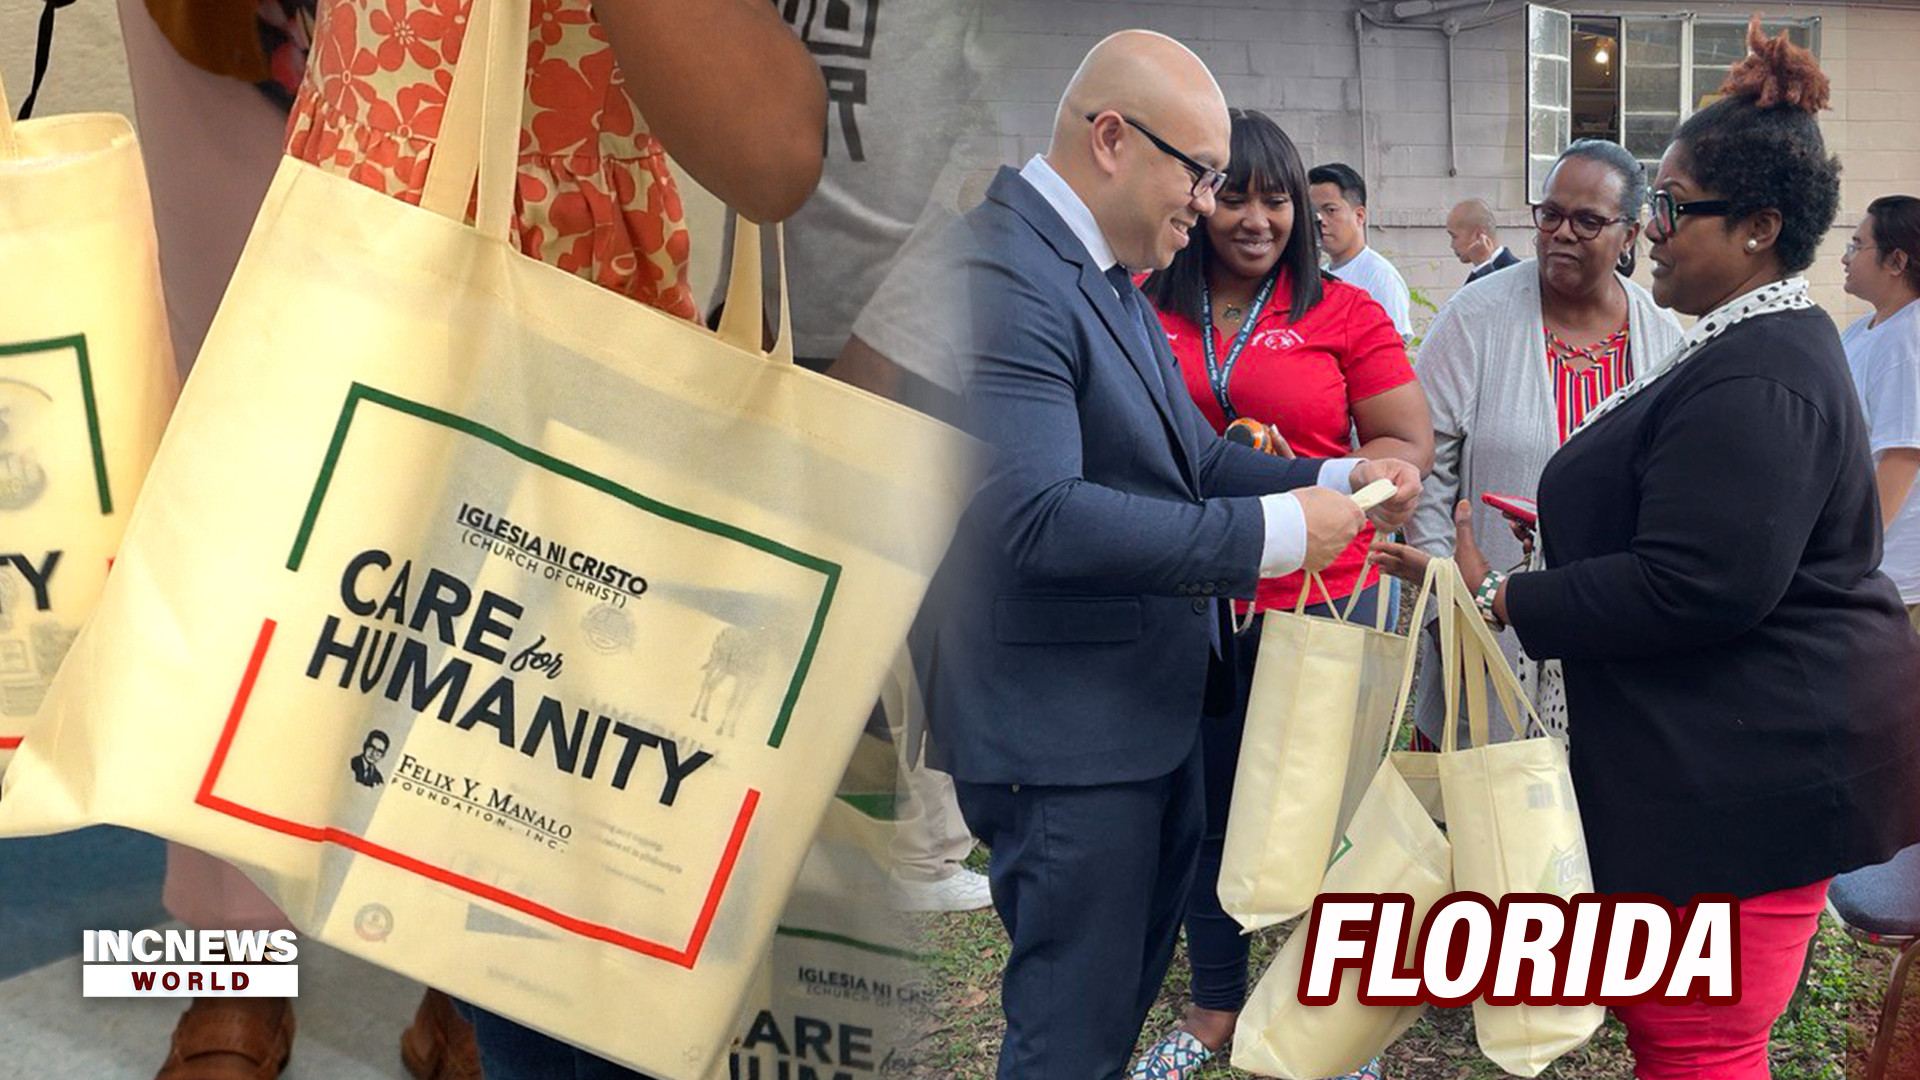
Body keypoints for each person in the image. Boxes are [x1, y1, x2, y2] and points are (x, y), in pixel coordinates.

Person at [137, 2, 827, 1080]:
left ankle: (459, 975)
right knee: (277, 626)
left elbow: (769, 145)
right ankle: (243, 968)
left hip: (528, 269)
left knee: (515, 765)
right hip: (335, 178)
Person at [1376, 21, 1920, 1079]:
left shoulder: (1757, 370)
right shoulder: (1741, 345)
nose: (1651, 230)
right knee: (1688, 1037)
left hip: (1746, 785)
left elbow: (1699, 582)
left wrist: (1516, 602)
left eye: (1668, 208)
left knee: (1700, 1044)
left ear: (1760, 227)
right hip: (1722, 768)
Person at [927, 31, 1423, 1080]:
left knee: (1102, 1018)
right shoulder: (999, 270)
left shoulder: (1101, 276)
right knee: (1069, 1032)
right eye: (1198, 174)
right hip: (1065, 740)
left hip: (1134, 720)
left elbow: (1190, 460)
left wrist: (1336, 481)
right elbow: (1038, 516)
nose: (1206, 204)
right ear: (1111, 138)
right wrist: (1280, 535)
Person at [1128, 108, 1431, 1080]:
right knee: (1208, 812)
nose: (1255, 219)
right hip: (1187, 601)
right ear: (1199, 198)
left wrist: (1379, 480)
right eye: (1233, 196)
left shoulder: (1345, 312)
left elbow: (1403, 444)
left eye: (1276, 199)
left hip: (1324, 602)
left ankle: (1322, 1020)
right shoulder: (1141, 303)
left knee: (1323, 816)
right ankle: (1216, 1006)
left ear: (1303, 207)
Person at [1374, 140, 1682, 746]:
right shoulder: (1476, 317)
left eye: (1588, 220)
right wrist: (1445, 607)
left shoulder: (1662, 341)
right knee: (1489, 811)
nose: (1562, 233)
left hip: (1612, 638)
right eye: (1550, 215)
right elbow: (1425, 465)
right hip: (1485, 626)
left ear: (1629, 237)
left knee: (1594, 812)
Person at [1841, 195, 1920, 629]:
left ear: (1896, 261)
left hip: (1898, 577)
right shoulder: (1865, 330)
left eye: (1856, 245)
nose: (1844, 257)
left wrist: (1852, 553)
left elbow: (1903, 457)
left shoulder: (1908, 340)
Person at [1308, 163, 1412, 340]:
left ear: (1360, 216)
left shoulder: (1380, 276)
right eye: (1314, 213)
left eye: (1330, 210)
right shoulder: (1321, 275)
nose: (1321, 221)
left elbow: (1393, 348)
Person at [1448, 198, 1518, 285]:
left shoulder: (1516, 274)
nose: (1452, 245)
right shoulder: (1478, 272)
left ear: (1479, 235)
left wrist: (1483, 266)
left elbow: (1496, 297)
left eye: (1454, 236)